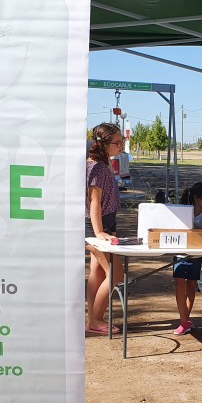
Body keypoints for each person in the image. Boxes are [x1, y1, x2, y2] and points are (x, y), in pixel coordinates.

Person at [85, 123, 125, 336]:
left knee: (98, 271)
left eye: (122, 142)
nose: (121, 146)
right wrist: (98, 232)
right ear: (104, 144)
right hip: (98, 226)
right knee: (116, 273)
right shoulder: (97, 167)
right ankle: (96, 319)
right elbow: (94, 201)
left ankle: (92, 318)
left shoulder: (99, 164)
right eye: (117, 143)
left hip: (105, 223)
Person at [172, 181, 202, 336]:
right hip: (180, 252)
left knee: (191, 285)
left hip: (196, 253)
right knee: (179, 284)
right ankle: (183, 320)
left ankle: (186, 319)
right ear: (197, 198)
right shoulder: (183, 210)